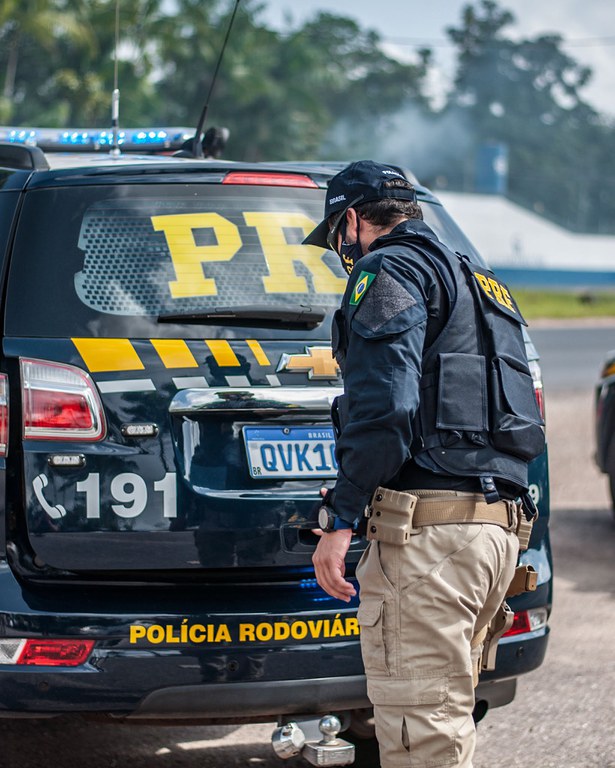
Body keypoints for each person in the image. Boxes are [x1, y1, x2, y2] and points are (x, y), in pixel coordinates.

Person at [302, 160, 545, 768]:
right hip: (497, 533)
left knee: (422, 738)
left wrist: (340, 518)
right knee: (444, 725)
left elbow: (386, 408)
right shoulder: (479, 281)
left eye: (336, 237)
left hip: (431, 538)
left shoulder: (387, 269)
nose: (340, 251)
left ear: (352, 221)